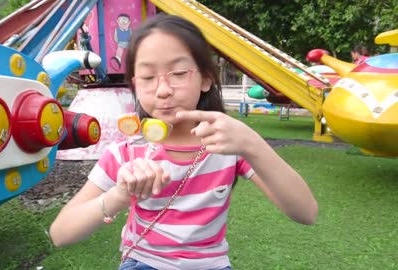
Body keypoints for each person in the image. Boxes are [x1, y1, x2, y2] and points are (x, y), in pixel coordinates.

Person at [49, 14, 318, 270]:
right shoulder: (126, 152)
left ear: (206, 79)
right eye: (147, 77)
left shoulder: (228, 145)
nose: (163, 90)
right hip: (143, 261)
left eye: (178, 73)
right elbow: (61, 233)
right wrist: (119, 195)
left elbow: (306, 212)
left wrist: (252, 143)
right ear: (135, 85)